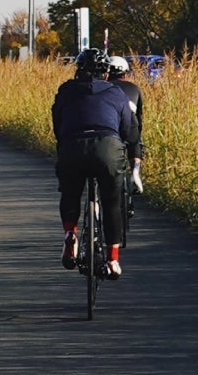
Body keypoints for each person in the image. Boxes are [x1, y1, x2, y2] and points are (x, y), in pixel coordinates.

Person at [52, 46, 139, 279]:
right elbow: (128, 130)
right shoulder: (116, 93)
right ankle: (113, 260)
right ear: (106, 73)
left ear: (78, 70)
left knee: (70, 194)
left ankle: (70, 234)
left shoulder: (66, 90)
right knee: (112, 201)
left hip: (73, 147)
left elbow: (58, 125)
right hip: (108, 148)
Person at [107, 54, 146, 209]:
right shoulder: (134, 88)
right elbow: (139, 116)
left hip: (108, 130)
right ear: (125, 73)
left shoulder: (103, 88)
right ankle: (135, 171)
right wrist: (138, 138)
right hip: (130, 127)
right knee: (134, 137)